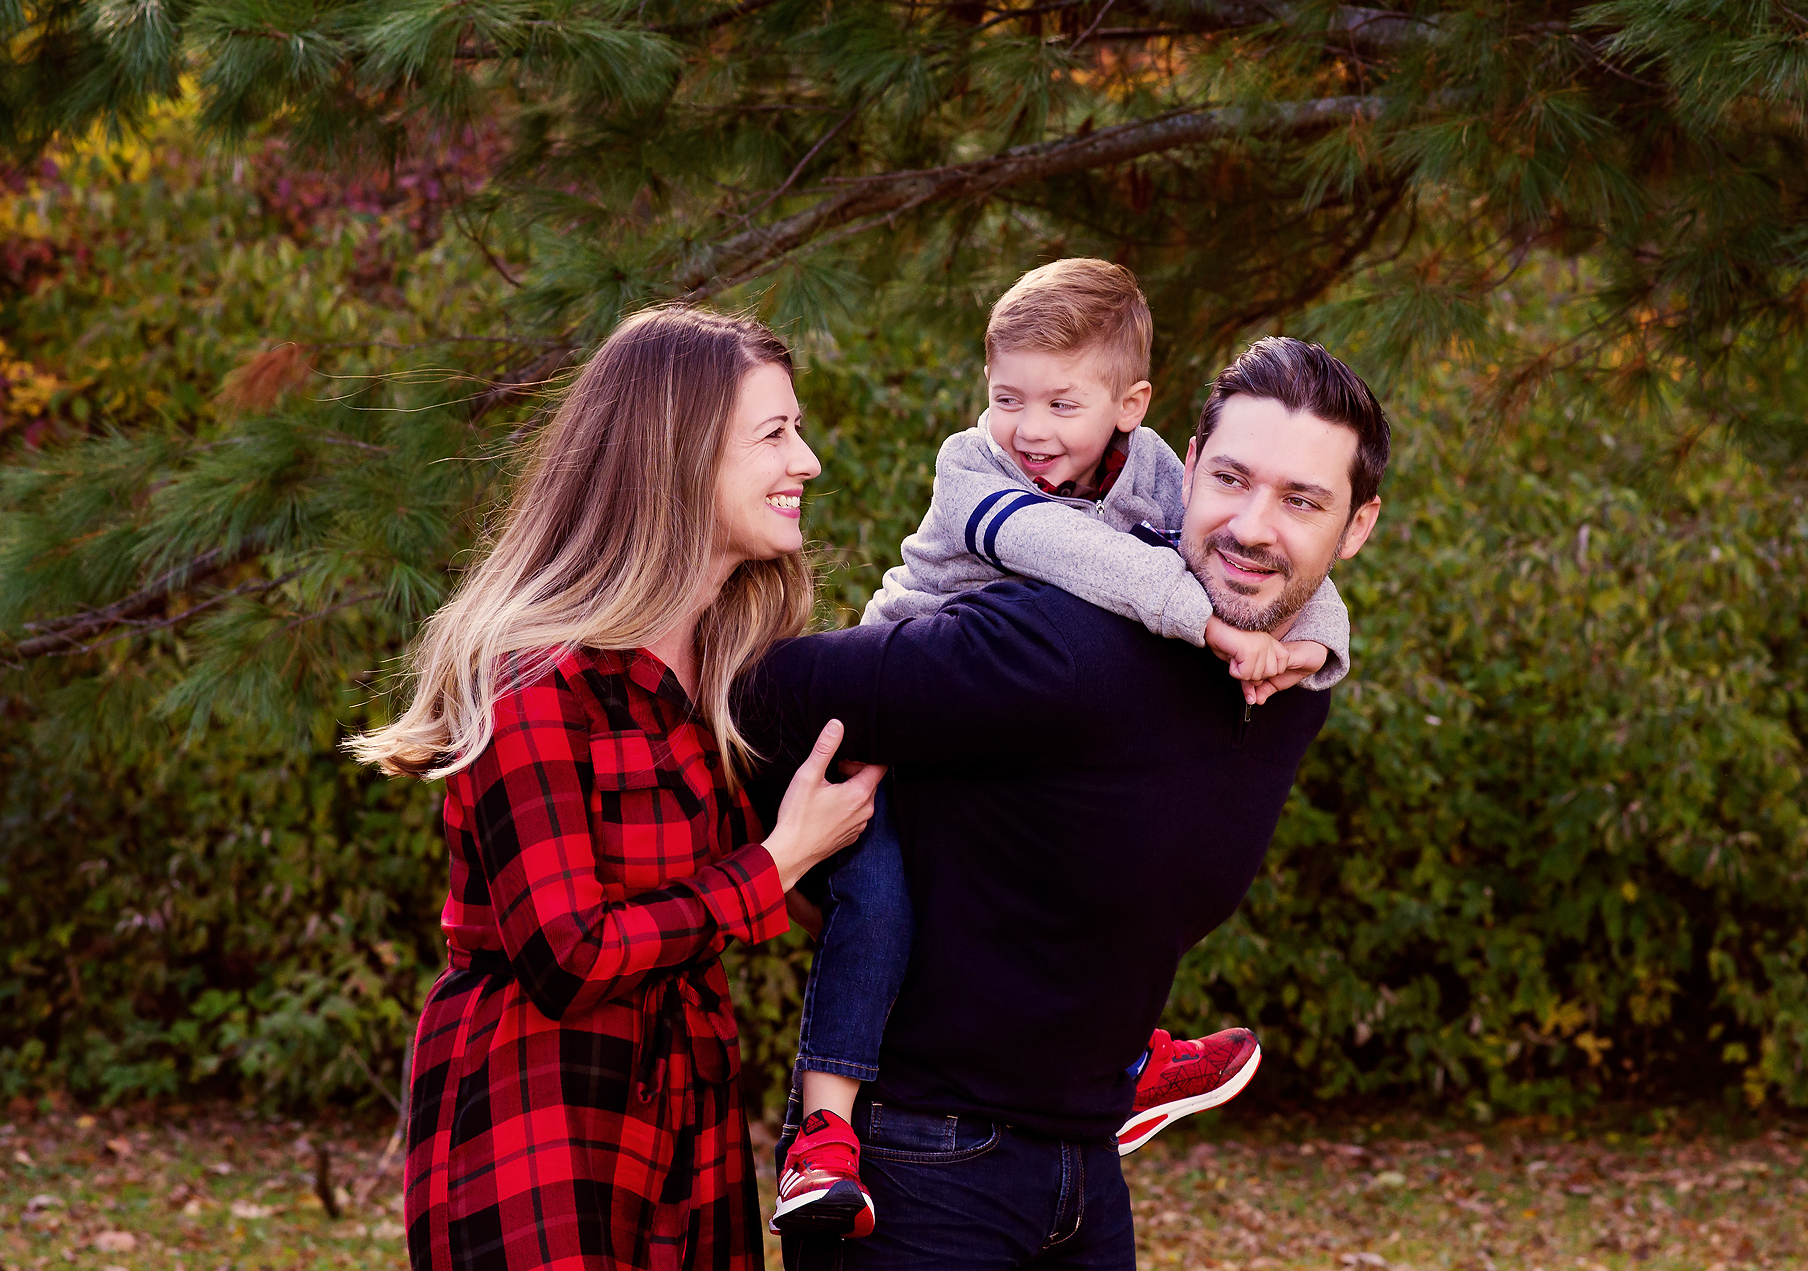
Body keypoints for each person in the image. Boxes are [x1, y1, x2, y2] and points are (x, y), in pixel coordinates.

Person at [742, 336, 1389, 1271]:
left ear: (1356, 527)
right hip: (924, 1164)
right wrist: (803, 872)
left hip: (1087, 1163)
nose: (1252, 526)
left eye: (1301, 501)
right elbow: (762, 692)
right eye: (1233, 479)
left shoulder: (1292, 688)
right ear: (1190, 466)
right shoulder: (1061, 644)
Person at [347, 307, 882, 1271]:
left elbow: (847, 903)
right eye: (774, 434)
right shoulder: (533, 680)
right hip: (535, 1107)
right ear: (676, 457)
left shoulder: (734, 678)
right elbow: (567, 952)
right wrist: (778, 861)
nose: (806, 462)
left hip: (689, 1114)